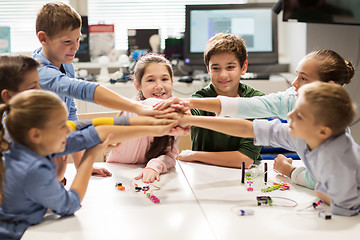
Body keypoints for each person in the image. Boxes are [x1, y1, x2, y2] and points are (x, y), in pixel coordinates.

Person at [155, 49, 355, 189]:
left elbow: (321, 182)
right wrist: (189, 106)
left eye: (303, 78)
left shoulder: (330, 141)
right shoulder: (293, 103)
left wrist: (290, 171)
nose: (294, 83)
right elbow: (247, 118)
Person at [159, 82, 359, 216]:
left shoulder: (340, 163)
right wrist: (190, 119)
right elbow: (248, 128)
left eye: (299, 115)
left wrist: (319, 188)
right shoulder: (304, 133)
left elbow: (344, 208)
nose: (289, 115)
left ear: (322, 131)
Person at [0, 90, 177, 239]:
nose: (68, 129)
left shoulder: (25, 145)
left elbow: (93, 134)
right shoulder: (34, 170)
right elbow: (70, 204)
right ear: (36, 134)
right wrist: (90, 156)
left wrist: (158, 128)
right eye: (62, 126)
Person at [32, 2, 163, 175]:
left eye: (78, 39)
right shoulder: (39, 71)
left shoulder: (65, 63)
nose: (75, 47)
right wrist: (137, 107)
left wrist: (81, 166)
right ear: (43, 38)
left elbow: (71, 118)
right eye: (67, 42)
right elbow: (82, 89)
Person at [176, 33, 264, 169]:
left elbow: (245, 159)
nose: (223, 75)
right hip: (204, 173)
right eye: (216, 68)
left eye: (230, 67)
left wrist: (195, 155)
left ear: (244, 67)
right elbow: (188, 113)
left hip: (245, 177)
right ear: (208, 70)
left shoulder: (256, 100)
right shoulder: (200, 98)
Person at [107, 53, 181, 183]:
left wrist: (154, 166)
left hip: (148, 178)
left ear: (172, 81)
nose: (159, 86)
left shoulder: (173, 115)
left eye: (164, 79)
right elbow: (148, 106)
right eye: (151, 80)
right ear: (138, 85)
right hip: (116, 174)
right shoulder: (131, 109)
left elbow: (170, 155)